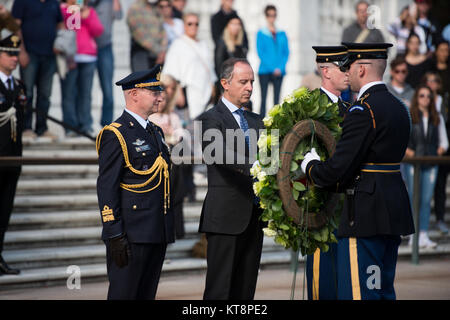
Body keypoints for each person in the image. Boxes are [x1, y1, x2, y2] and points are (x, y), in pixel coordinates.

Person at [301, 42, 415, 300]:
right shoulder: (399, 107)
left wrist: (310, 166)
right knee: (382, 290)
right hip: (392, 209)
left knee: (360, 293)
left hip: (365, 213)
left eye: (350, 66)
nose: (347, 71)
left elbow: (338, 169)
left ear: (362, 69)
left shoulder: (362, 110)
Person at [96, 65, 174, 299]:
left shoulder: (155, 132)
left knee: (145, 294)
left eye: (159, 91)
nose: (160, 96)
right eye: (153, 91)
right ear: (134, 94)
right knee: (124, 294)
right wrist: (114, 234)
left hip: (155, 231)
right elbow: (106, 187)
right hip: (131, 234)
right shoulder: (116, 134)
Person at [198, 58, 264, 300]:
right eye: (243, 81)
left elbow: (274, 157)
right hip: (224, 218)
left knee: (245, 290)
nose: (249, 87)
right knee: (220, 290)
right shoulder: (210, 119)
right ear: (225, 83)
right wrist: (257, 166)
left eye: (252, 82)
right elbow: (217, 152)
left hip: (254, 218)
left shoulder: (258, 120)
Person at [305, 46, 350, 300]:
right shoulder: (309, 107)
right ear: (325, 70)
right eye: (342, 68)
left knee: (344, 281)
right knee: (323, 284)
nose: (347, 73)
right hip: (320, 206)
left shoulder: (350, 107)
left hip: (347, 207)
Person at [11, 0, 64, 140]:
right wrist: (21, 51)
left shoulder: (54, 3)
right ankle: (26, 128)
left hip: (50, 56)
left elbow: (60, 24)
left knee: (45, 95)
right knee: (26, 93)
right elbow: (15, 26)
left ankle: (42, 128)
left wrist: (61, 42)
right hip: (29, 54)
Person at [404, 85, 448, 248]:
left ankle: (423, 233)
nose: (426, 99)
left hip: (430, 163)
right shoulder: (410, 115)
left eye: (428, 96)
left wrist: (439, 150)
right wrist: (408, 151)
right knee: (413, 197)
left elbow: (444, 141)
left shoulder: (437, 117)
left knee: (426, 199)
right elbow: (402, 138)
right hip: (413, 164)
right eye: (422, 96)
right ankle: (413, 234)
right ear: (417, 97)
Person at [0, 34, 26, 276]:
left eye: (16, 53)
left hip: (13, 159)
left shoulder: (19, 86)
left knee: (4, 211)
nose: (14, 58)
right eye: (9, 53)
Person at [149, 74, 186, 239]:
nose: (161, 101)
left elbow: (180, 136)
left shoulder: (174, 117)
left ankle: (176, 230)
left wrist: (171, 132)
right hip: (157, 163)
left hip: (174, 163)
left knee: (176, 197)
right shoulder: (150, 117)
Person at [60, 0, 104, 137]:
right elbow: (68, 30)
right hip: (70, 56)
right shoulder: (63, 10)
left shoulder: (89, 11)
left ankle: (85, 125)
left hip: (88, 57)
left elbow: (98, 31)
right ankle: (70, 127)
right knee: (69, 93)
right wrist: (73, 12)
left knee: (85, 94)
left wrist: (87, 15)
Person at [162, 12, 217, 120]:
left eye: (196, 24)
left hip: (206, 90)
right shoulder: (178, 44)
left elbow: (209, 68)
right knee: (192, 126)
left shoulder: (203, 44)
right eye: (190, 23)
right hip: (189, 91)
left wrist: (212, 86)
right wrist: (178, 93)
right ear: (184, 25)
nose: (194, 27)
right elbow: (171, 72)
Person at [89, 0, 123, 128]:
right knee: (85, 90)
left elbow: (119, 15)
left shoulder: (109, 2)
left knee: (108, 88)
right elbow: (74, 17)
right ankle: (85, 123)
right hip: (86, 48)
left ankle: (106, 123)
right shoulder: (84, 3)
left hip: (105, 48)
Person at [256, 5, 290, 116]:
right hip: (265, 71)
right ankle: (260, 126)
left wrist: (280, 68)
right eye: (269, 15)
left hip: (279, 72)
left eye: (274, 15)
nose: (272, 18)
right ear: (266, 16)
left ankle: (276, 125)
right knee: (263, 100)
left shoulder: (282, 33)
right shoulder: (261, 33)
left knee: (277, 101)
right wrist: (272, 68)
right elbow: (261, 53)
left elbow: (286, 52)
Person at [431, 41, 450, 234]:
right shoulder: (420, 103)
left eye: (436, 82)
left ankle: (439, 219)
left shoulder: (442, 103)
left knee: (440, 185)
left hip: (440, 150)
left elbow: (443, 125)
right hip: (423, 150)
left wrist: (443, 145)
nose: (432, 86)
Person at [213, 13, 248, 104]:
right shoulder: (222, 44)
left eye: (238, 24)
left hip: (238, 89)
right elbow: (218, 69)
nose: (236, 27)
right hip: (226, 89)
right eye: (233, 24)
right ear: (227, 26)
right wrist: (223, 90)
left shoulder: (241, 45)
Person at [127, 0, 167, 72]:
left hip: (158, 56)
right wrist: (159, 51)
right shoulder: (135, 9)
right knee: (143, 81)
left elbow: (163, 30)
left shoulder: (156, 8)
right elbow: (140, 36)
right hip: (141, 55)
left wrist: (163, 50)